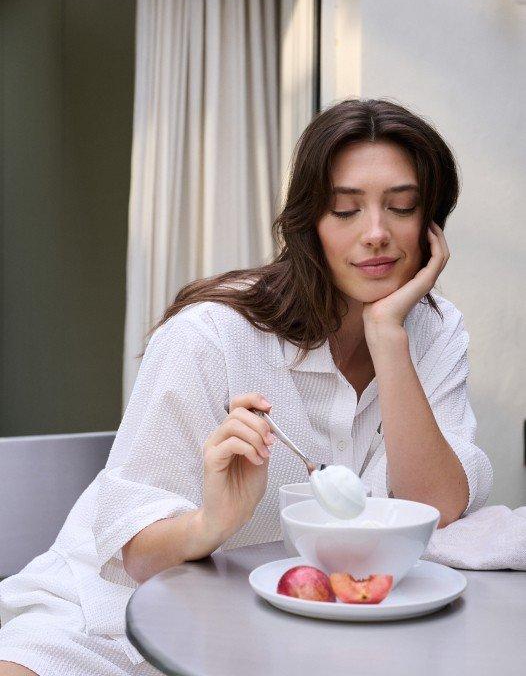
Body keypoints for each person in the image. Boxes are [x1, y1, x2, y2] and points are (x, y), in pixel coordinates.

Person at [0, 98, 493, 675]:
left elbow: (434, 508)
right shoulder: (212, 335)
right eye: (345, 210)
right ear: (310, 221)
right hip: (111, 617)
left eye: (402, 207)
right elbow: (130, 548)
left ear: (430, 223)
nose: (377, 234)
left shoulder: (433, 331)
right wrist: (215, 523)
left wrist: (387, 336)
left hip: (287, 636)